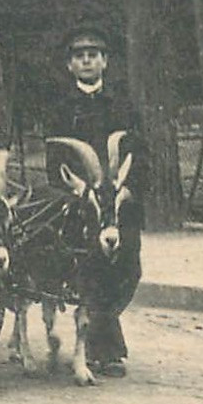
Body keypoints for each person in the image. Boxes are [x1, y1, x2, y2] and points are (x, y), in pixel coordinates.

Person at [43, 22, 143, 378]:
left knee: (128, 266)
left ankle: (102, 335)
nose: (86, 62)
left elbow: (137, 151)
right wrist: (73, 189)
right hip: (81, 199)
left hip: (117, 198)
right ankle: (105, 350)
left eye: (93, 56)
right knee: (92, 266)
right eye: (79, 57)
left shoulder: (123, 104)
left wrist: (129, 188)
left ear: (105, 62)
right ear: (70, 66)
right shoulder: (60, 108)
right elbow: (55, 160)